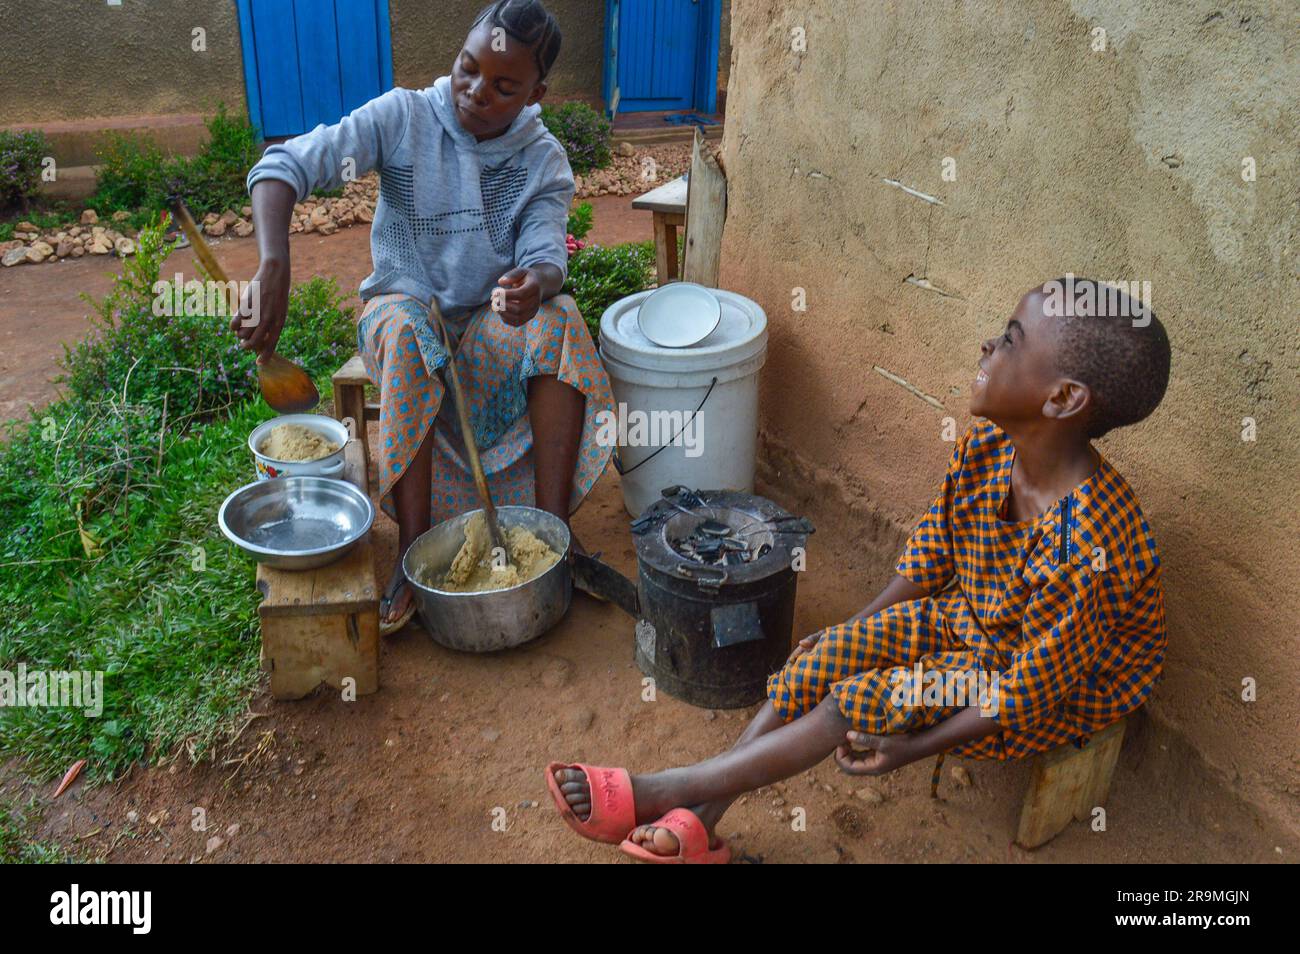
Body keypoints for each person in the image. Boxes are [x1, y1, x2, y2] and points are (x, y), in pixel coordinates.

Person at [547, 278, 1171, 863]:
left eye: (1011, 338)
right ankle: (704, 819)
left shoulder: (1089, 543)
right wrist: (849, 636)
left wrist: (914, 746)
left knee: (854, 704)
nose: (989, 344)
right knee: (818, 660)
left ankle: (663, 790)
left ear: (1063, 398)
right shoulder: (989, 448)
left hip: (1051, 683)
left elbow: (1027, 689)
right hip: (972, 623)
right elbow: (932, 556)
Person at [237, 1, 612, 631]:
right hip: (402, 311)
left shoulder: (541, 158)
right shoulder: (404, 117)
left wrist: (533, 283)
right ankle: (414, 554)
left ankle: (552, 539)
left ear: (535, 93)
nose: (475, 91)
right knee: (410, 329)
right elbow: (283, 167)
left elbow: (548, 257)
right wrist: (274, 264)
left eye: (503, 86)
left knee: (562, 318)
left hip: (488, 335)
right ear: (458, 56)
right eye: (468, 68)